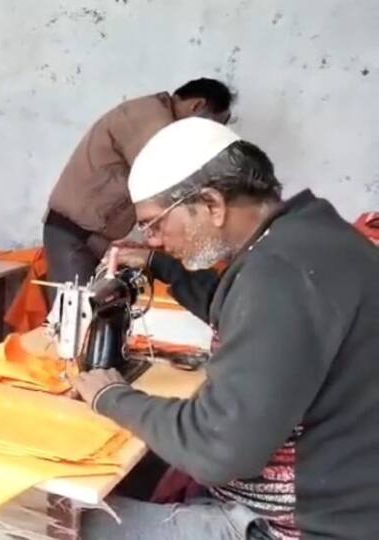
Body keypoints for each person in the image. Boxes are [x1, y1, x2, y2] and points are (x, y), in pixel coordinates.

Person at [73, 118, 379, 539]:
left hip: (298, 528)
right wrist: (158, 265)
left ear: (212, 204)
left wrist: (111, 397)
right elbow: (241, 312)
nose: (154, 238)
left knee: (59, 519)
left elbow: (216, 448)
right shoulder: (308, 239)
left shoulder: (279, 274)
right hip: (343, 496)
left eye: (154, 223)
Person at [43, 78, 234, 291]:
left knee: (101, 307)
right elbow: (165, 181)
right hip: (73, 233)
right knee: (75, 312)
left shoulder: (156, 118)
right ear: (196, 106)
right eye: (211, 125)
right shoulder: (149, 117)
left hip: (93, 234)